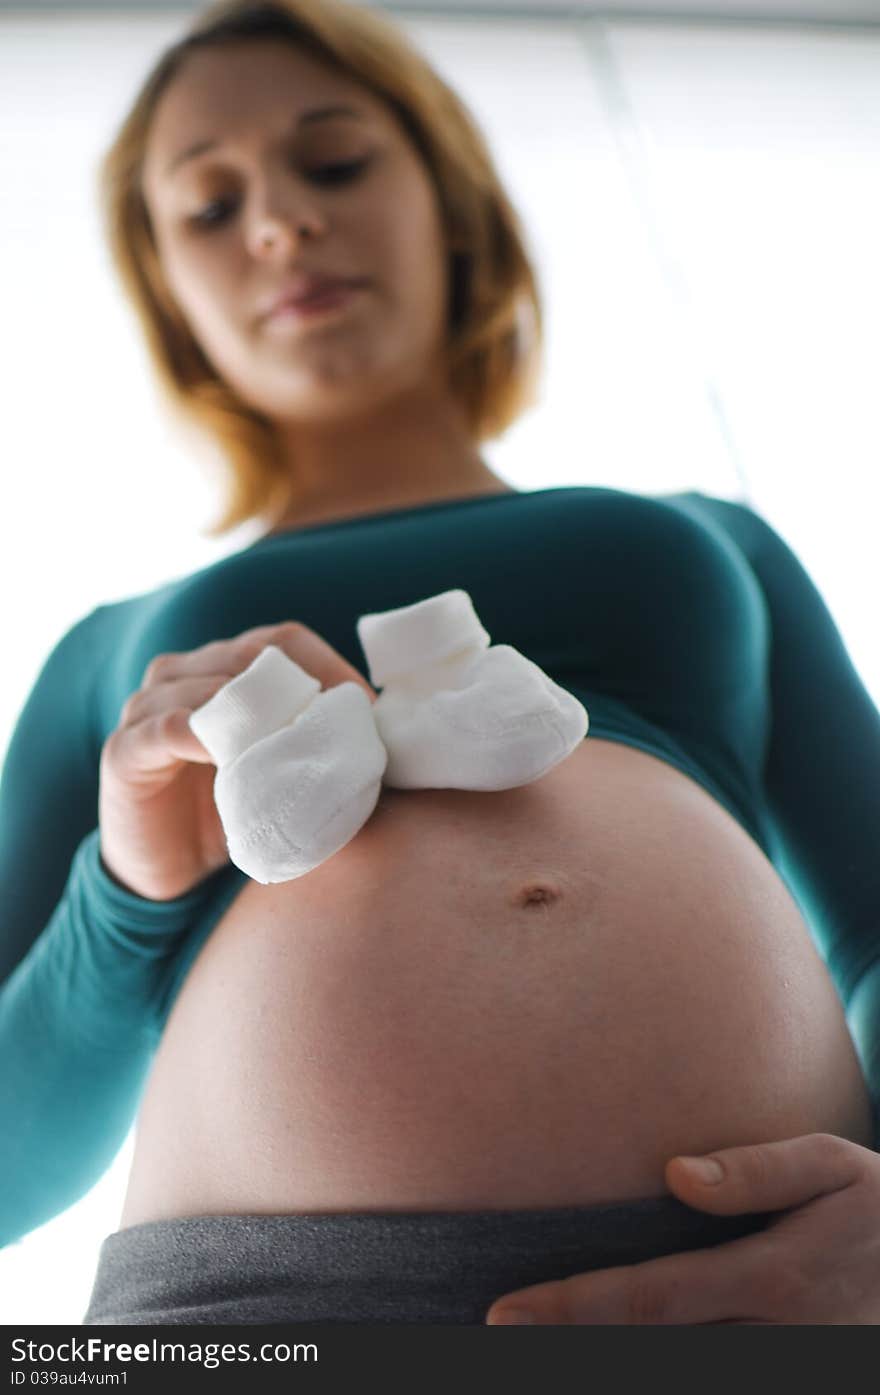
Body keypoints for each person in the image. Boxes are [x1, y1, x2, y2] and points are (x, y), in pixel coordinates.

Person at [1, 0, 878, 1326]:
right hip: (267, 1319)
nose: (282, 223)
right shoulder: (110, 659)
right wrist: (126, 893)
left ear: (450, 202)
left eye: (335, 162)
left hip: (762, 1257)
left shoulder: (712, 540)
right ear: (169, 292)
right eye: (208, 206)